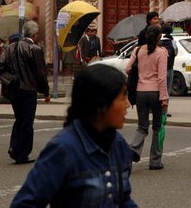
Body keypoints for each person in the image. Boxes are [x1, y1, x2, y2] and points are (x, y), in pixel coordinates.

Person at [10, 65, 138, 208]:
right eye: (122, 97)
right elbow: (24, 204)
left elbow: (123, 199)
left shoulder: (119, 145)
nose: (127, 104)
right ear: (101, 104)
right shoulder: (63, 150)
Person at [0, 20, 50, 164]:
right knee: (27, 122)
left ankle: (14, 147)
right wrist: (46, 92)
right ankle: (22, 154)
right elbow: (41, 73)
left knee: (19, 119)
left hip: (14, 90)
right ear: (35, 34)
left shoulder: (11, 47)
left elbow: (0, 68)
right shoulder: (35, 49)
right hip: (28, 90)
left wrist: (11, 80)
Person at [126, 25, 168, 170]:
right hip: (156, 93)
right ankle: (155, 161)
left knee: (142, 127)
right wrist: (164, 97)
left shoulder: (137, 50)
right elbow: (162, 77)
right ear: (159, 37)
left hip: (140, 92)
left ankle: (133, 149)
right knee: (157, 127)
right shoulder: (161, 52)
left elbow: (127, 68)